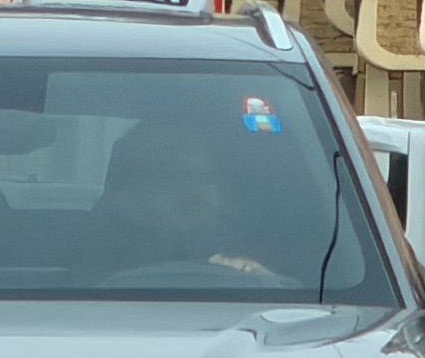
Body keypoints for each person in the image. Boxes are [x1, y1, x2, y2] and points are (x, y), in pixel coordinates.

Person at [93, 121, 289, 284]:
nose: (193, 189)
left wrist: (262, 278)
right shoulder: (94, 263)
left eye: (204, 177)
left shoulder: (261, 249)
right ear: (130, 195)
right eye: (172, 178)